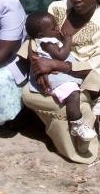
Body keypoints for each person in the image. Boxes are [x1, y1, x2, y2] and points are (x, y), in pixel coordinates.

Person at [22, 0, 100, 164]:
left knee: (67, 104)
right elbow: (36, 38)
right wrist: (38, 66)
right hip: (49, 69)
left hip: (84, 77)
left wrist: (54, 64)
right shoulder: (57, 9)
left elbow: (94, 68)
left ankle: (77, 144)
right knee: (27, 94)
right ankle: (65, 130)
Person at [25, 11, 96, 141]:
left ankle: (99, 102)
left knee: (92, 79)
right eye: (54, 28)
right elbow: (61, 55)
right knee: (73, 94)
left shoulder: (44, 39)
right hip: (55, 77)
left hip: (59, 70)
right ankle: (76, 124)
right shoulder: (47, 42)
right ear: (41, 34)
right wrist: (68, 41)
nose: (58, 29)